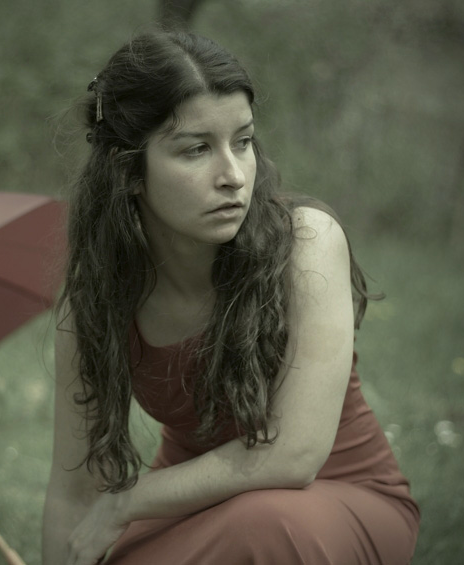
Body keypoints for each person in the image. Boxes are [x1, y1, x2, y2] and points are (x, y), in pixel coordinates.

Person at [42, 29, 420, 565]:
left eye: (242, 142)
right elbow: (74, 493)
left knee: (265, 525)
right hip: (194, 504)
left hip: (335, 498)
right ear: (129, 170)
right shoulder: (100, 298)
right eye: (196, 149)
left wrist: (128, 501)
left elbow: (294, 456)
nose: (234, 176)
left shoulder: (305, 243)